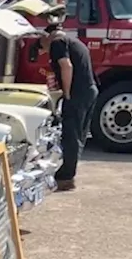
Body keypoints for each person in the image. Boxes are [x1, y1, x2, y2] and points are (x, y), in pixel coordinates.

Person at [40, 22, 99, 191]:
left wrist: (66, 92)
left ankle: (65, 177)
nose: (43, 49)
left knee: (71, 133)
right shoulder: (75, 42)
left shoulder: (57, 42)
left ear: (46, 36)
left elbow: (66, 66)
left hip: (77, 93)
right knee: (79, 134)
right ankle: (69, 173)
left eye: (41, 45)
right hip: (90, 90)